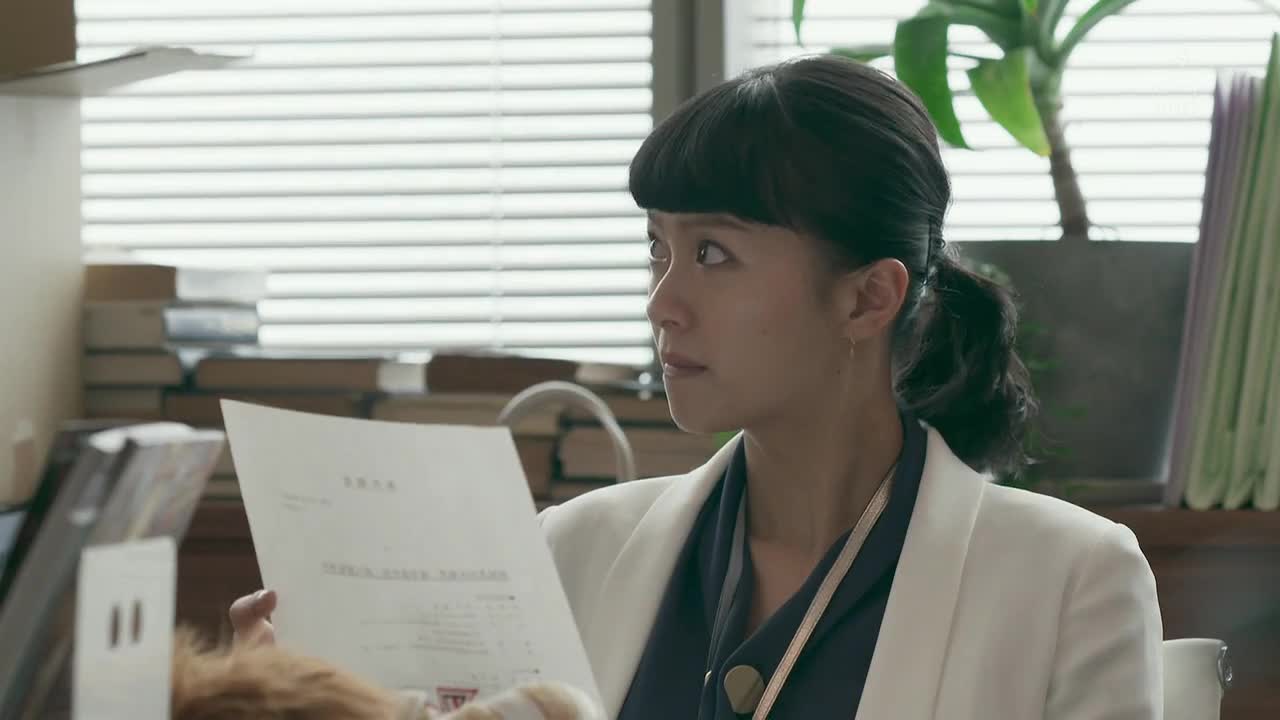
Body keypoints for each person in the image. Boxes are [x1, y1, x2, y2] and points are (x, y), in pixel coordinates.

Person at [230, 55, 1163, 719]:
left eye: (713, 253)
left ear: (867, 297)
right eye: (657, 249)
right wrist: (288, 699)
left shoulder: (1068, 579)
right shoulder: (570, 552)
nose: (663, 303)